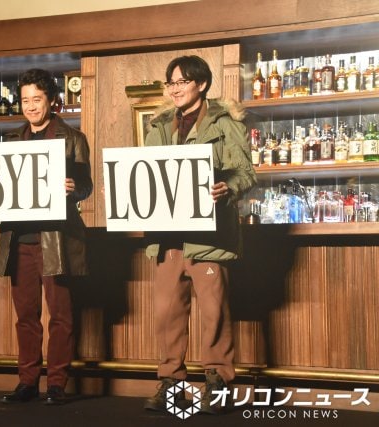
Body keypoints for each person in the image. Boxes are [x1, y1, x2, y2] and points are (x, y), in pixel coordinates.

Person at [0, 68, 92, 405]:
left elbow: (86, 186)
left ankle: (57, 383)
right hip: (19, 239)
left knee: (60, 315)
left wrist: (74, 187)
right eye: (25, 100)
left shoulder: (73, 138)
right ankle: (28, 381)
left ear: (51, 101)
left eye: (37, 99)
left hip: (56, 240)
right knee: (26, 317)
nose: (31, 106)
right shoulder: (12, 141)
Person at [141, 55, 256, 415]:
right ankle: (171, 384)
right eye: (171, 83)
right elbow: (145, 176)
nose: (174, 89)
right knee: (167, 315)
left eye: (182, 82)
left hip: (209, 238)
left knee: (213, 314)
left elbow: (246, 173)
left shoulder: (225, 123)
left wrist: (227, 187)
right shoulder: (159, 126)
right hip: (168, 237)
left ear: (201, 84)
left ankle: (217, 384)